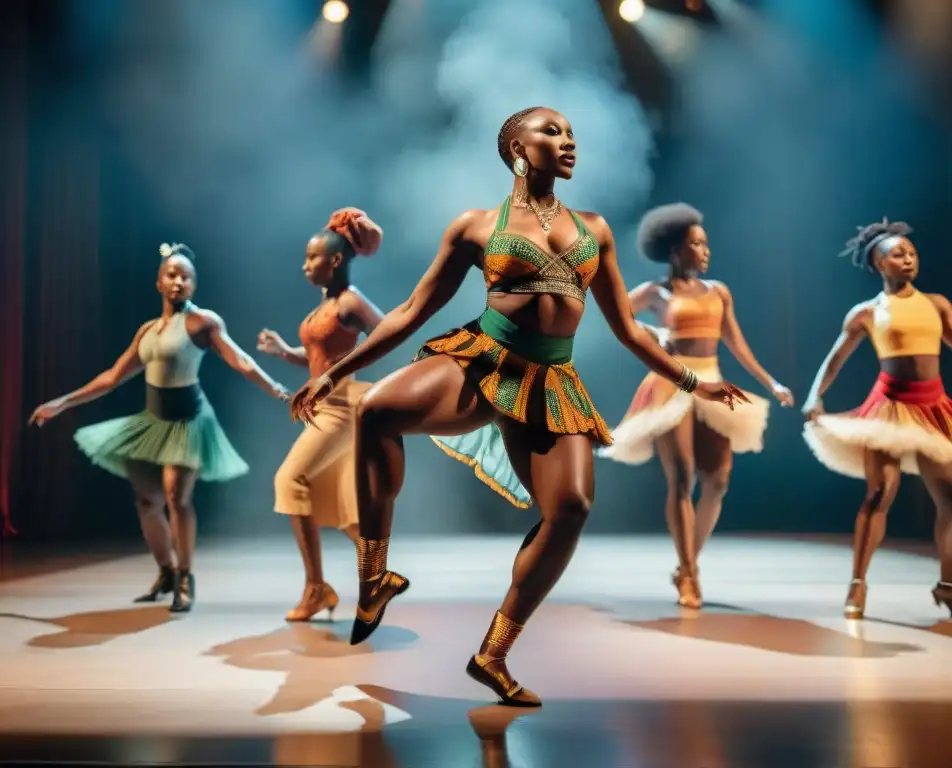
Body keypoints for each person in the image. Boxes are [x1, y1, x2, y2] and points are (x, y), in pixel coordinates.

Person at [290, 106, 747, 706]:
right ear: (515, 149)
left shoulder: (595, 229)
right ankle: (374, 576)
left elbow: (631, 332)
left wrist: (694, 383)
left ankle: (493, 654)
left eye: (572, 134)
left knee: (573, 508)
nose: (567, 141)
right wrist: (337, 374)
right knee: (376, 410)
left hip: (550, 380)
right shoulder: (476, 226)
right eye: (552, 131)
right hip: (480, 360)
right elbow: (410, 311)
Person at [29, 243, 289, 613]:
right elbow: (112, 377)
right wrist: (63, 401)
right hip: (153, 422)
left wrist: (278, 391)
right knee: (147, 501)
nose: (179, 281)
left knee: (176, 498)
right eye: (172, 275)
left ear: (194, 284)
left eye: (186, 277)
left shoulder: (202, 322)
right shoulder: (148, 332)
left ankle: (185, 576)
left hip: (189, 421)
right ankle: (166, 571)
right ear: (158, 282)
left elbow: (241, 361)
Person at [802, 219, 952, 619]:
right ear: (877, 264)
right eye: (897, 254)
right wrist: (815, 395)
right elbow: (836, 358)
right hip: (888, 408)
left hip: (935, 409)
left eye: (911, 253)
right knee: (879, 493)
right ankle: (857, 585)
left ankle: (948, 587)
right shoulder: (867, 313)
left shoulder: (937, 305)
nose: (907, 259)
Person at [598, 203, 793, 608]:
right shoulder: (656, 292)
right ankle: (689, 574)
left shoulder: (718, 291)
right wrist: (652, 331)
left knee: (718, 479)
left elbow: (736, 343)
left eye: (706, 243)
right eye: (696, 244)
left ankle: (687, 562)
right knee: (683, 477)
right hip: (672, 384)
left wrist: (770, 382)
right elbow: (614, 315)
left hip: (714, 383)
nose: (705, 251)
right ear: (674, 250)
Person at [257, 208, 385, 622]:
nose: (304, 265)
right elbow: (316, 359)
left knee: (290, 480)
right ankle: (374, 573)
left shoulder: (350, 301)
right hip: (323, 404)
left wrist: (337, 374)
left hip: (343, 405)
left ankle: (317, 588)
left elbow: (386, 332)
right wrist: (284, 351)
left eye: (312, 258)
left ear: (334, 260)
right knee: (328, 499)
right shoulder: (326, 304)